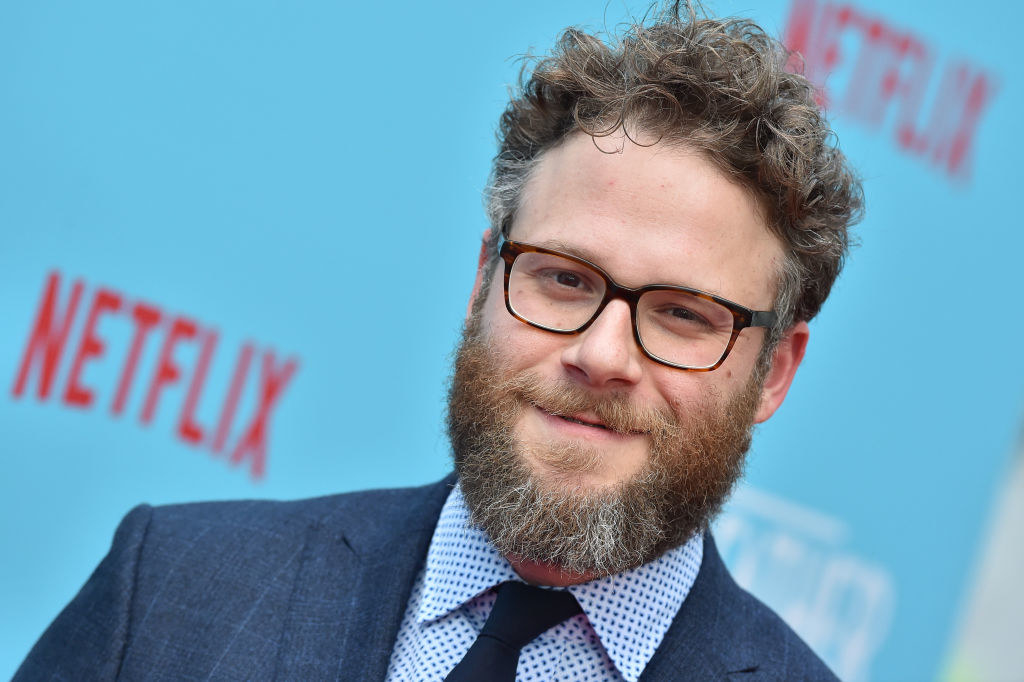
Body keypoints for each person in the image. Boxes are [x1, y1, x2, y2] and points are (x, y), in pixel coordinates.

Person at [16, 2, 862, 680]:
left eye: (682, 314)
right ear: (483, 281)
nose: (602, 356)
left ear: (774, 372)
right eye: (564, 279)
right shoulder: (171, 588)